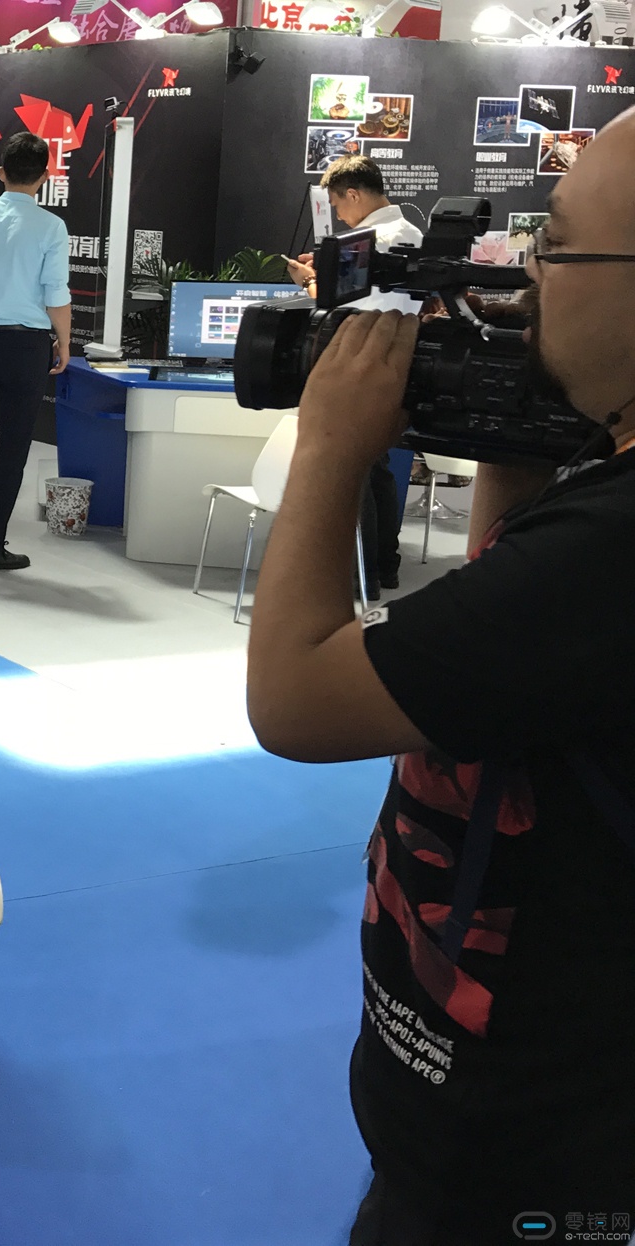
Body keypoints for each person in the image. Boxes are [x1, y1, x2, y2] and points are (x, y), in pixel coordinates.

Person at [246, 107, 635, 1245]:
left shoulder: (615, 549)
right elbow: (503, 632)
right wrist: (517, 432)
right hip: (487, 1100)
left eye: (558, 248)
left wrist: (330, 446)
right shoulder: (602, 495)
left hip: (530, 1149)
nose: (532, 277)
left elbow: (294, 701)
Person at [286, 155, 424, 597]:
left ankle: (361, 579)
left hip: (359, 362)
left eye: (338, 205)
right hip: (399, 363)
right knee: (377, 471)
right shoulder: (410, 233)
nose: (340, 215)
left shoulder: (374, 241)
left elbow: (343, 310)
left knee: (356, 474)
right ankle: (384, 568)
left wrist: (308, 281)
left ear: (353, 194)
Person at [0, 131, 71, 572]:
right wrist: (64, 341)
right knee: (12, 451)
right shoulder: (51, 227)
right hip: (27, 347)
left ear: (2, 173)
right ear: (44, 177)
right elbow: (56, 294)